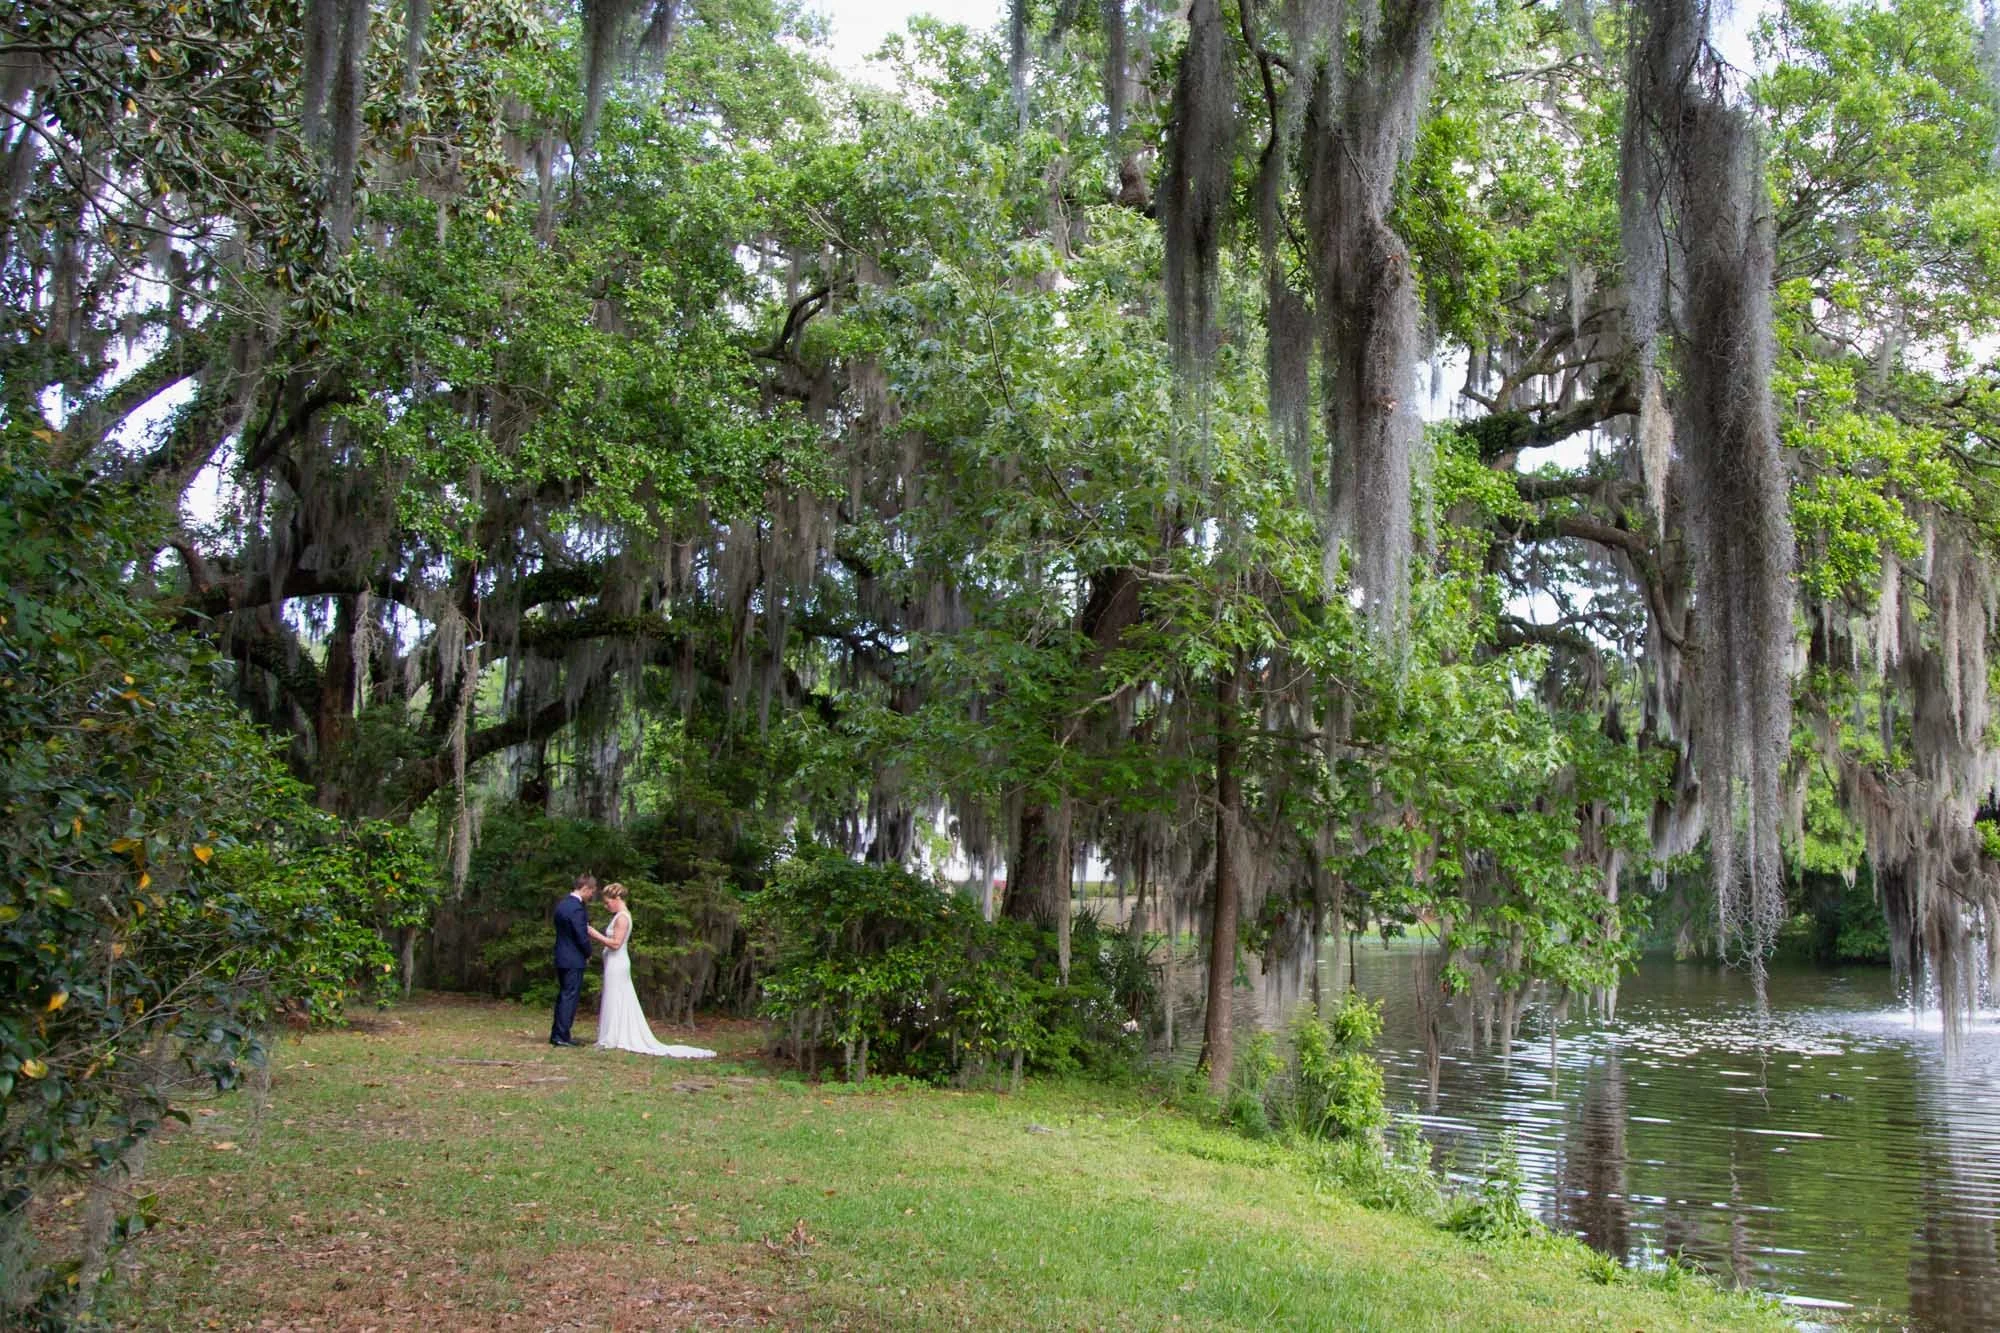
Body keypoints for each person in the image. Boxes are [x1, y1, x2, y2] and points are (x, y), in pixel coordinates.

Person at [587, 883, 715, 1059]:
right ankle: (612, 1034)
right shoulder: (618, 916)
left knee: (617, 996)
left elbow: (616, 944)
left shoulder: (622, 918)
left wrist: (594, 934)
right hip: (612, 963)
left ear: (617, 899)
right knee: (613, 997)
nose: (606, 905)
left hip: (617, 963)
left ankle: (615, 1036)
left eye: (607, 901)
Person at [549, 872, 597, 1046]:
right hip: (573, 958)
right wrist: (588, 952)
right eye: (591, 892)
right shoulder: (576, 908)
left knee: (564, 995)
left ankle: (558, 1033)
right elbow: (581, 934)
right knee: (569, 996)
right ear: (585, 888)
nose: (592, 896)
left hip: (562, 956)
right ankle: (561, 1036)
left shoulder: (562, 905)